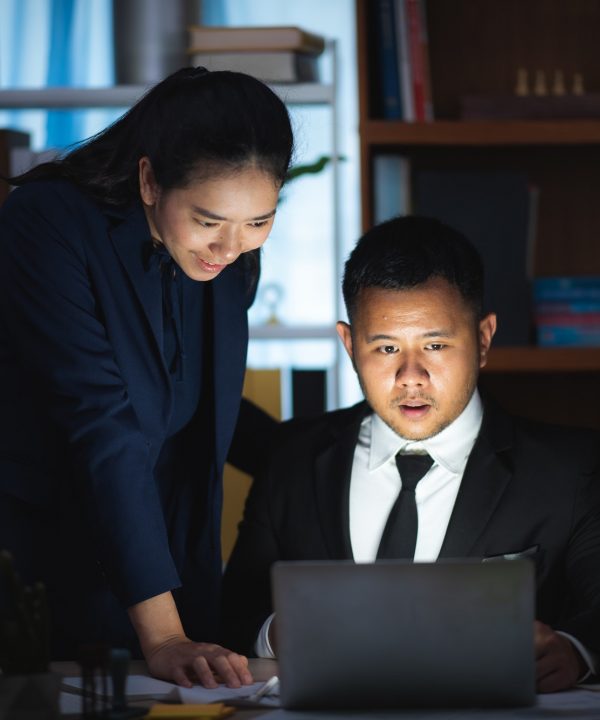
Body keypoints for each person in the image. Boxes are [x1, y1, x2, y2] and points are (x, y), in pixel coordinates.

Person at [0, 66, 293, 688]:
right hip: (47, 560)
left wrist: (317, 452)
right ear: (149, 178)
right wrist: (164, 633)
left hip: (163, 556)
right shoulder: (46, 225)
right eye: (210, 220)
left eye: (259, 222)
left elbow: (195, 399)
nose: (232, 247)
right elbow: (101, 423)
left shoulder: (229, 256)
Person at [222, 216, 600, 693]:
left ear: (483, 340)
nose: (411, 376)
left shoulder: (571, 468)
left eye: (436, 345)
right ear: (349, 343)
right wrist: (275, 633)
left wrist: (575, 650)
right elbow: (232, 615)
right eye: (385, 348)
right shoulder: (292, 457)